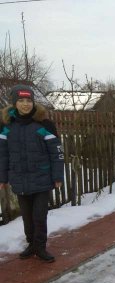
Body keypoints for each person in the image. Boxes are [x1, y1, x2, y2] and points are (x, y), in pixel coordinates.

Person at [0, 84, 64, 262]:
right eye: (21, 100)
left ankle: (41, 247)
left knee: (39, 216)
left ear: (33, 102)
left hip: (42, 179)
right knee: (27, 218)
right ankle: (31, 244)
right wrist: (3, 177)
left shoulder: (44, 124)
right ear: (14, 103)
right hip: (19, 179)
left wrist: (58, 176)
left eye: (28, 100)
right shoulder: (6, 126)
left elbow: (56, 153)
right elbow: (3, 154)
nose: (25, 104)